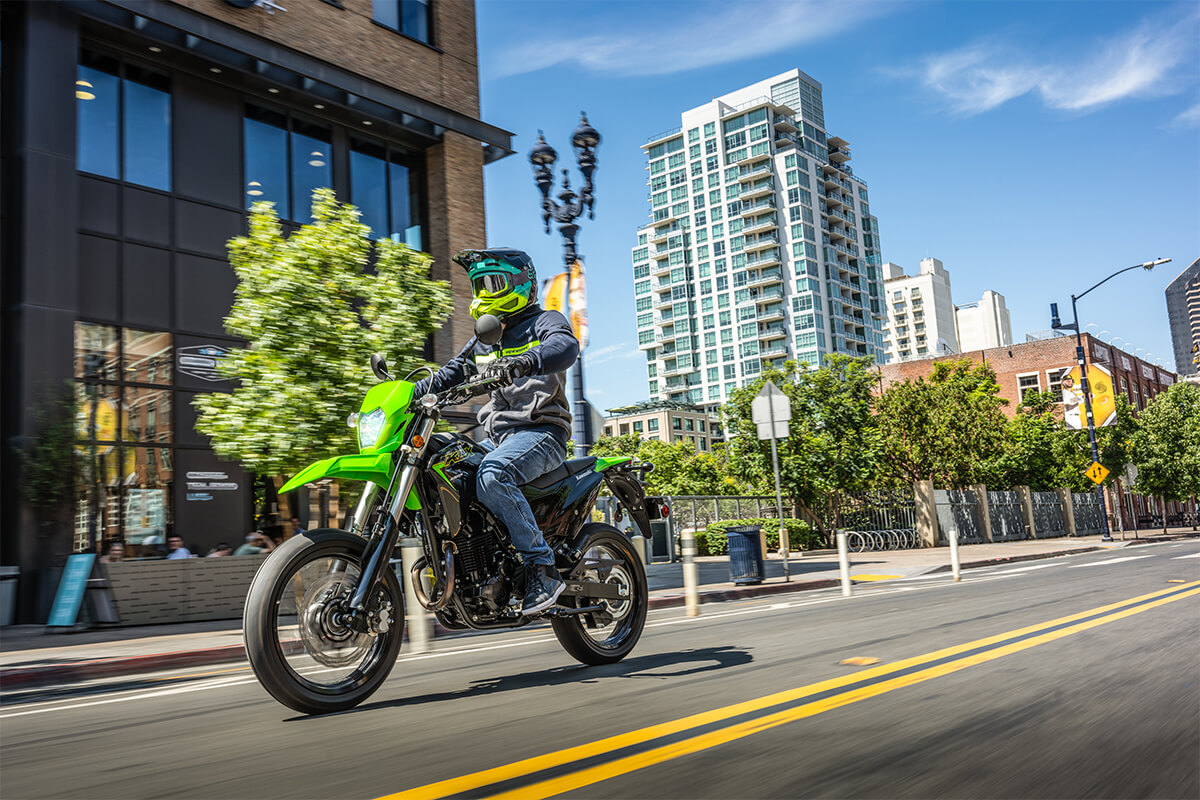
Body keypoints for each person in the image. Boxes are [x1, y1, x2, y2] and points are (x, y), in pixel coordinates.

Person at [412, 248, 579, 615]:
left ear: (519, 284)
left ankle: (542, 567)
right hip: (499, 438)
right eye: (478, 284)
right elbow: (451, 374)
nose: (484, 292)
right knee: (432, 459)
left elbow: (566, 347)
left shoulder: (544, 322)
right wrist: (408, 393)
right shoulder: (486, 337)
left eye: (492, 283)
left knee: (492, 473)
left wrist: (526, 360)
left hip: (541, 434)